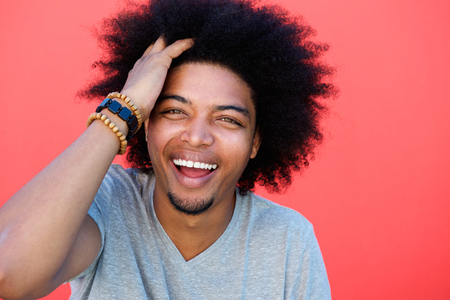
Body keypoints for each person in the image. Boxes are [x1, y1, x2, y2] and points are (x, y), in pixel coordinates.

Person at [0, 0, 336, 299]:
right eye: (174, 111)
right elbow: (7, 275)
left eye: (228, 119)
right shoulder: (106, 202)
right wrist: (121, 112)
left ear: (256, 142)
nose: (197, 136)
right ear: (145, 123)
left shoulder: (288, 241)